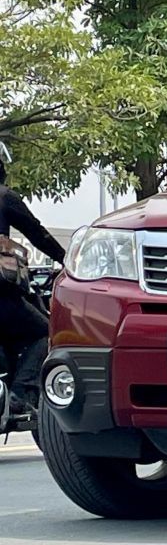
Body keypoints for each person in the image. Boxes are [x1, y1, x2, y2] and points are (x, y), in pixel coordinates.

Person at [0, 143, 65, 414]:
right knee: (46, 332)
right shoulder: (4, 197)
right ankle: (21, 391)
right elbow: (38, 234)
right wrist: (67, 259)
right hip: (3, 299)